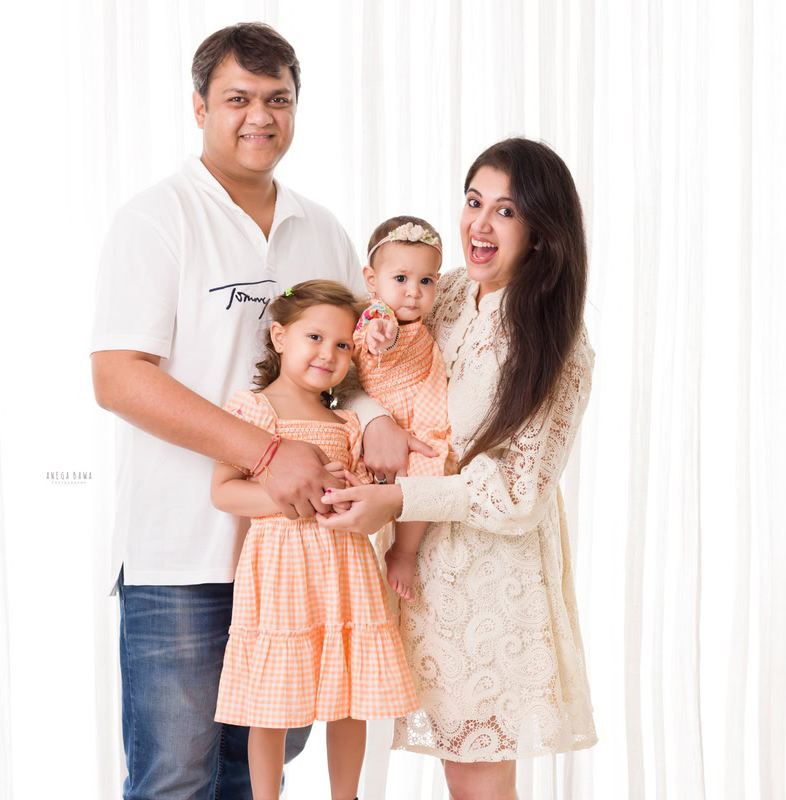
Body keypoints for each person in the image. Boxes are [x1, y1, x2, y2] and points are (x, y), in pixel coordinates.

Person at [90, 23, 396, 800]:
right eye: (237, 98)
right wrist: (265, 452)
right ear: (198, 108)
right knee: (177, 780)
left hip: (304, 561)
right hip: (182, 560)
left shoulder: (321, 229)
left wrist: (377, 414)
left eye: (277, 100)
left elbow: (341, 367)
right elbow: (119, 377)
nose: (259, 116)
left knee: (257, 779)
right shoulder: (156, 219)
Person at [319, 138, 599, 800]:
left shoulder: (558, 344)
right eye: (474, 201)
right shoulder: (436, 293)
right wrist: (372, 417)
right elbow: (354, 367)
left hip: (492, 585)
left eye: (504, 211)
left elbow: (518, 495)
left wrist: (398, 500)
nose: (478, 223)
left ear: (539, 232)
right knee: (457, 772)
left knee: (479, 781)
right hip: (419, 575)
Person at [211, 280, 419, 800]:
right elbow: (225, 494)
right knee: (272, 700)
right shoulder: (253, 410)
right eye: (315, 338)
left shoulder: (348, 422)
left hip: (343, 568)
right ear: (279, 337)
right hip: (281, 570)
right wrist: (300, 495)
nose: (329, 354)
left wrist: (354, 492)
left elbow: (368, 497)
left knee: (350, 697)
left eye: (344, 344)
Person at [351, 216, 453, 602]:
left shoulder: (425, 323)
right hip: (384, 418)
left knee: (429, 468)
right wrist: (381, 332)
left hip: (422, 419)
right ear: (372, 280)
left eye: (426, 281)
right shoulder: (378, 318)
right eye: (401, 279)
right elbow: (378, 329)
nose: (413, 292)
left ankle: (404, 550)